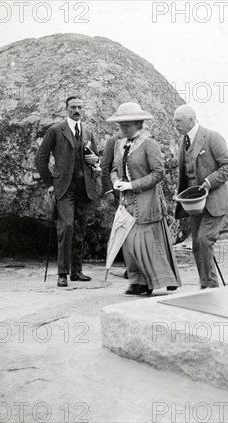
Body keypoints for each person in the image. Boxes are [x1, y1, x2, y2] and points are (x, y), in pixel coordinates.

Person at [108, 103, 181, 295]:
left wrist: (132, 185)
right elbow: (114, 168)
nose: (123, 128)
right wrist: (116, 181)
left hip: (147, 201)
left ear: (138, 124)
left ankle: (151, 281)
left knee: (144, 243)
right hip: (127, 203)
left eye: (128, 124)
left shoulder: (149, 144)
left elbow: (159, 173)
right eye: (121, 124)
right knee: (129, 243)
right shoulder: (119, 144)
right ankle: (137, 281)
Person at [35, 96, 100, 287]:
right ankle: (62, 273)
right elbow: (41, 159)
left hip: (84, 187)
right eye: (73, 107)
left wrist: (95, 160)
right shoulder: (55, 130)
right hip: (64, 188)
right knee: (66, 228)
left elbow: (96, 159)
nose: (77, 110)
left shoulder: (87, 131)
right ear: (66, 109)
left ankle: (77, 271)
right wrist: (50, 184)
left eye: (80, 107)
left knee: (80, 229)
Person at [173, 104, 228, 289]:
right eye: (174, 120)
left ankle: (209, 287)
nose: (175, 124)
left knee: (203, 240)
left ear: (191, 120)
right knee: (197, 244)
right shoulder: (181, 141)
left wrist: (208, 181)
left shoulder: (212, 137)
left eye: (179, 120)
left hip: (215, 202)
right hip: (194, 203)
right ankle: (207, 285)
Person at [101, 131, 129, 279]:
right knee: (123, 228)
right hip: (120, 194)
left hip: (138, 192)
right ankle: (128, 266)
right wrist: (109, 191)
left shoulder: (144, 138)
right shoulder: (113, 141)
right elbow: (106, 167)